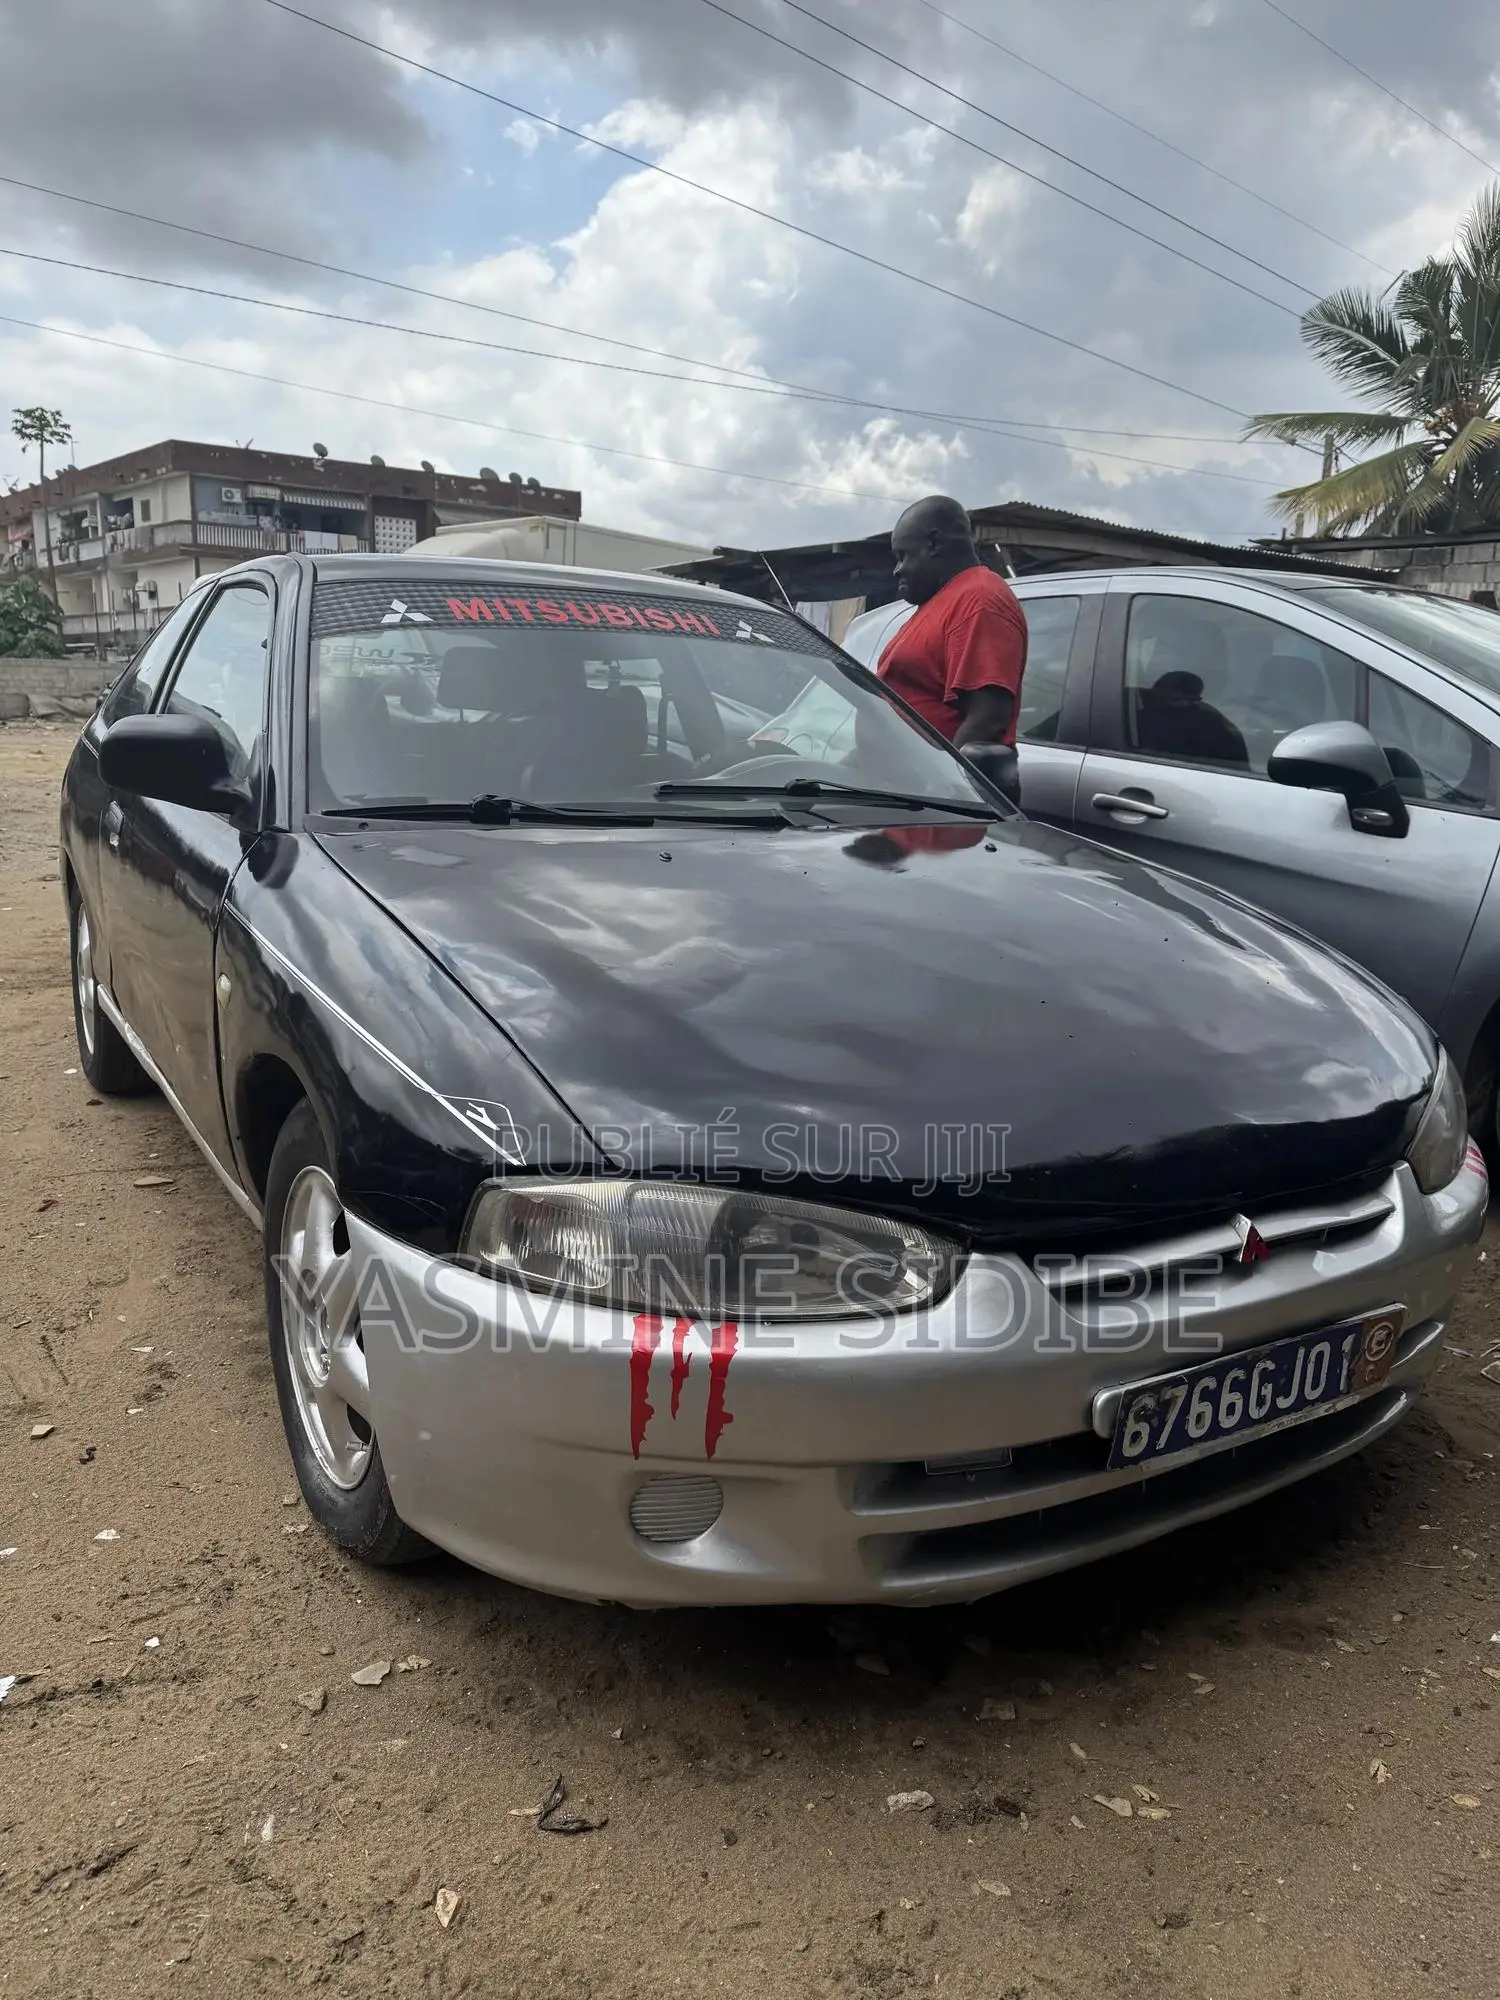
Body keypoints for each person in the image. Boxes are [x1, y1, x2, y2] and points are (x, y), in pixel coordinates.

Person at [876, 495, 1028, 748]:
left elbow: (988, 720)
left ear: (934, 543)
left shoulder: (979, 598)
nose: (897, 569)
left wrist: (946, 784)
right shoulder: (940, 601)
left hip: (926, 786)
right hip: (891, 778)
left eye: (903, 555)